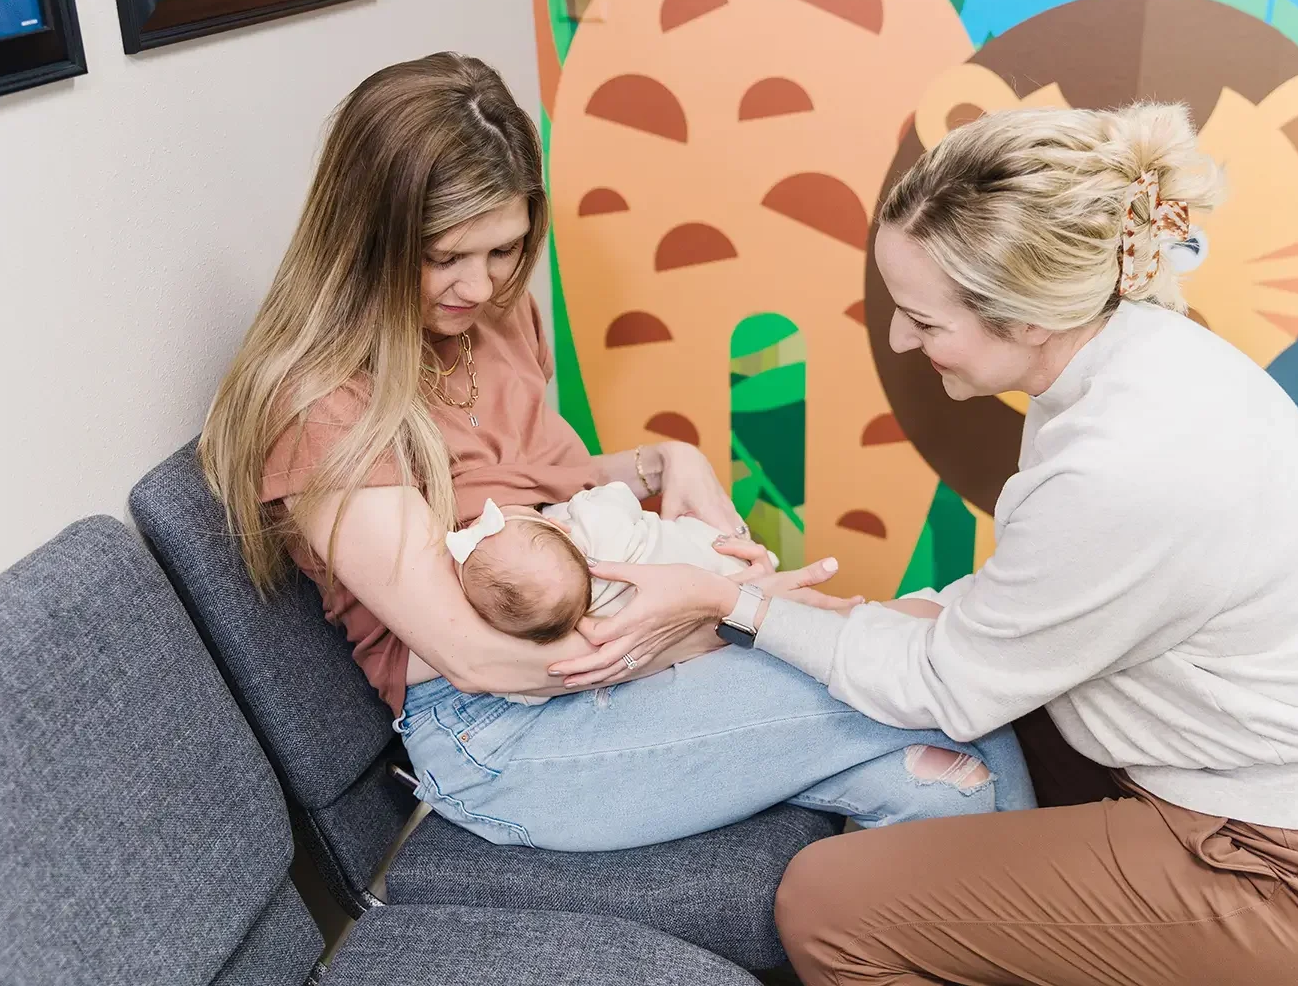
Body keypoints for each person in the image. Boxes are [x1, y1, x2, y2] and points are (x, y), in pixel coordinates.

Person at [557, 103, 1298, 984]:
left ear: (1027, 316)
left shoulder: (1122, 466)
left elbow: (946, 688)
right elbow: (1049, 596)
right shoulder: (1134, 357)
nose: (900, 340)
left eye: (925, 319)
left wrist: (733, 602)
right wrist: (870, 613)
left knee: (828, 906)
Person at [197, 52, 1034, 854]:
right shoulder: (325, 409)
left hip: (608, 654)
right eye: (443, 256)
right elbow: (477, 653)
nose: (480, 287)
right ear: (365, 237)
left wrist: (669, 463)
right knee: (942, 690)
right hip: (501, 727)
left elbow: (540, 490)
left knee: (946, 786)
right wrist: (715, 615)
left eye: (502, 251)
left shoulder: (487, 317)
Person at [447, 482, 763, 646]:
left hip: (722, 597)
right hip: (719, 553)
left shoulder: (589, 616)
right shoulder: (592, 520)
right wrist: (575, 504)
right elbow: (618, 494)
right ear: (557, 525)